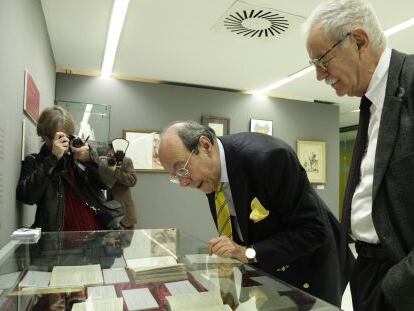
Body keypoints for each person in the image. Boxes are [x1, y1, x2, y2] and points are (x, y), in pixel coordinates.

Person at [158, 121, 354, 307]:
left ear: (205, 145)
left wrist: (246, 252)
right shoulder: (210, 173)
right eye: (175, 177)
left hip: (311, 270)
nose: (183, 183)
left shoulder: (269, 158)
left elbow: (313, 231)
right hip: (270, 270)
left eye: (182, 170)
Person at [304, 1, 414, 310]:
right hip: (366, 272)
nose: (318, 74)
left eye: (321, 59)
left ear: (359, 41)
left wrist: (395, 289)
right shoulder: (369, 103)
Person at [17, 106, 113, 231]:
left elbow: (108, 182)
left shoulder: (79, 156)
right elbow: (27, 197)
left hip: (95, 236)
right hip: (58, 242)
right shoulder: (35, 162)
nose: (66, 142)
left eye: (68, 136)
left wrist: (91, 159)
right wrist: (52, 159)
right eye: (60, 137)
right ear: (46, 137)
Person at [99, 143, 138, 229]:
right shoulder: (102, 162)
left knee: (126, 241)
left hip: (124, 213)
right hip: (107, 211)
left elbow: (133, 181)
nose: (113, 154)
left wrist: (116, 171)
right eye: (110, 152)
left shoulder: (126, 161)